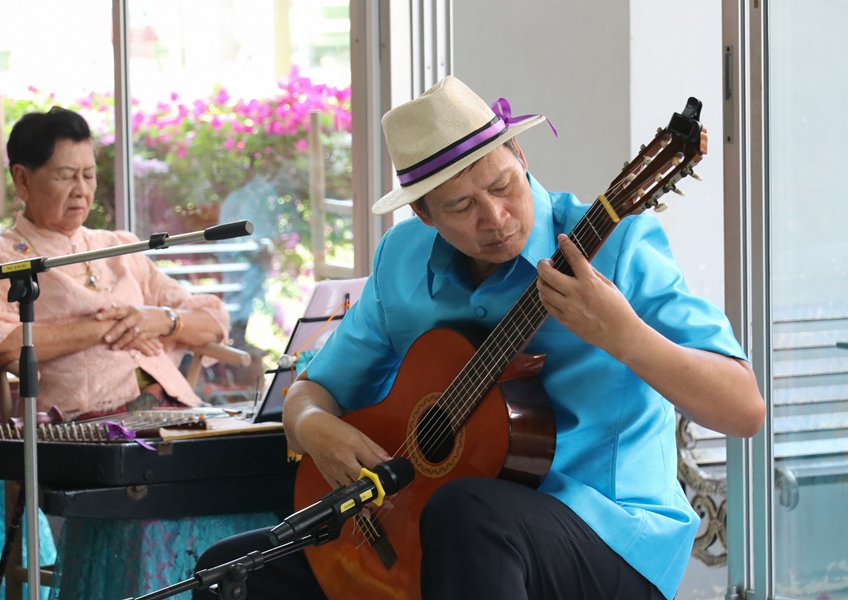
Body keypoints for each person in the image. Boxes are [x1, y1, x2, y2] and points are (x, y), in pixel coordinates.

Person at [193, 76, 765, 600]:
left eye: (502, 184)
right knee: (230, 574)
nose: (494, 217)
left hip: (610, 538)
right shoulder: (402, 260)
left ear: (520, 154)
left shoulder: (621, 247)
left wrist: (624, 336)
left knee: (468, 513)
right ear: (424, 213)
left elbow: (743, 409)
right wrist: (315, 428)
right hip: (432, 529)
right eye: (461, 206)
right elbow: (313, 390)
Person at [0, 106, 279, 599]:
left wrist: (161, 319)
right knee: (156, 488)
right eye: (65, 175)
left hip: (174, 415)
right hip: (85, 426)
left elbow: (212, 317)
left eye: (88, 175)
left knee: (260, 466)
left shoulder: (118, 246)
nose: (82, 190)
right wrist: (98, 328)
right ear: (22, 179)